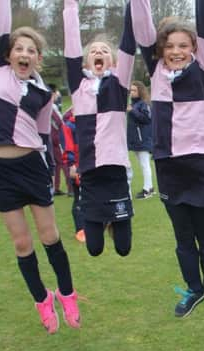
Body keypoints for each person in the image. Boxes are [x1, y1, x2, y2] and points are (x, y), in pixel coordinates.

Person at [0, 0, 80, 334]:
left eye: (32, 50)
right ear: (7, 55)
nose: (25, 53)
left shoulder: (42, 93)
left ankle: (67, 293)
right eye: (18, 48)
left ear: (38, 58)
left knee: (50, 235)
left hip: (31, 166)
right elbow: (1, 18)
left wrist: (57, 174)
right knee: (22, 244)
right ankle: (42, 299)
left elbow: (42, 136)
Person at [132, 0, 204, 317]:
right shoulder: (156, 70)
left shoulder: (203, 70)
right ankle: (195, 287)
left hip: (199, 165)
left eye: (183, 45)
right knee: (182, 236)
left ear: (195, 49)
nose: (176, 51)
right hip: (168, 166)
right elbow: (143, 26)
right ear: (160, 50)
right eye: (169, 46)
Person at [63, 0, 135, 257]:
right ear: (86, 61)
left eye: (104, 50)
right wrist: (70, 7)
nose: (98, 53)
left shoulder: (119, 85)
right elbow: (70, 48)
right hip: (90, 172)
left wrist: (134, 5)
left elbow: (128, 45)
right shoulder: (78, 86)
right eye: (93, 51)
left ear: (113, 61)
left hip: (116, 172)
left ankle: (115, 220)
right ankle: (100, 219)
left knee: (124, 248)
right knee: (94, 249)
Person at [127, 80, 154, 199]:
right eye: (131, 90)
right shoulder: (133, 104)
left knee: (145, 164)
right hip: (135, 139)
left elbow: (146, 118)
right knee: (142, 164)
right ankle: (150, 187)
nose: (131, 93)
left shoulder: (144, 104)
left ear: (140, 91)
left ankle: (147, 189)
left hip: (143, 139)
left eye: (134, 90)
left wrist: (132, 111)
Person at [62, 107, 85, 243]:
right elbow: (68, 147)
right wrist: (71, 165)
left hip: (90, 164)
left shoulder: (89, 122)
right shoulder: (69, 126)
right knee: (79, 198)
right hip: (77, 166)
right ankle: (80, 229)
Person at [49, 89, 72, 196]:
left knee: (57, 163)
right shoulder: (50, 106)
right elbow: (59, 121)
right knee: (64, 161)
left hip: (50, 137)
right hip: (57, 136)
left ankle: (55, 187)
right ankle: (71, 188)